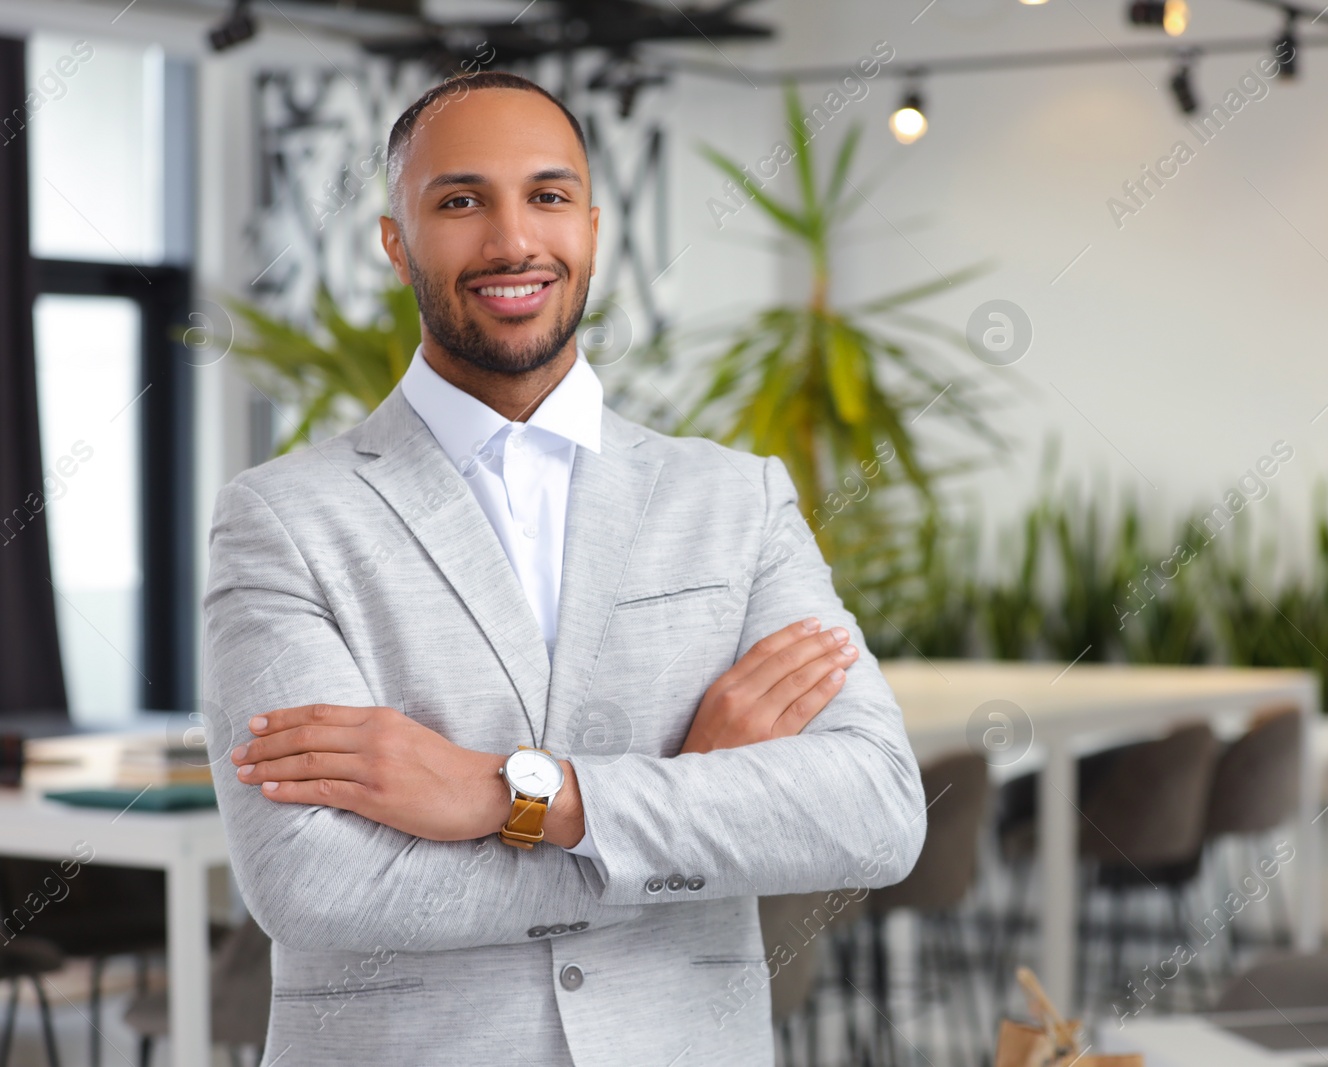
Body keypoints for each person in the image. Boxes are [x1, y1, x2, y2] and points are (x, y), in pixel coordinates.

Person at [202, 70, 926, 1065]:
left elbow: (875, 810)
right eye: (460, 201)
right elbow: (316, 884)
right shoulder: (281, 517)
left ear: (590, 224)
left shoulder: (736, 500)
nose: (512, 242)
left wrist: (515, 794)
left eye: (546, 197)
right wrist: (689, 800)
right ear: (394, 240)